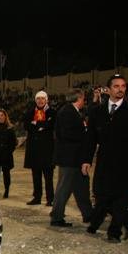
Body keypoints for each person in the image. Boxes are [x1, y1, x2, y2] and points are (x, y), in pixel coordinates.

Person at [82, 75, 128, 242]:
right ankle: (120, 220)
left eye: (123, 86)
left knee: (121, 198)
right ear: (109, 89)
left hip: (127, 163)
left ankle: (114, 232)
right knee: (102, 195)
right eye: (116, 86)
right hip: (104, 162)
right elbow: (90, 138)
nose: (120, 89)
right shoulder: (97, 111)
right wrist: (86, 160)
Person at [48, 89, 93, 227]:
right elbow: (66, 134)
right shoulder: (67, 112)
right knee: (64, 189)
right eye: (83, 98)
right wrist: (84, 133)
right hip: (69, 158)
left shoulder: (71, 111)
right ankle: (56, 217)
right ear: (78, 98)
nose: (84, 101)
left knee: (82, 187)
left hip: (75, 158)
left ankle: (88, 214)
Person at [23, 90, 56, 206]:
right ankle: (37, 197)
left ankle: (50, 199)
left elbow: (50, 125)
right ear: (35, 100)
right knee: (36, 176)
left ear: (46, 100)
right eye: (38, 98)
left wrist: (36, 124)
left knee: (48, 177)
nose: (40, 101)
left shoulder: (52, 112)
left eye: (42, 98)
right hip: (34, 150)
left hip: (47, 150)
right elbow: (26, 125)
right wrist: (42, 126)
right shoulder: (30, 112)